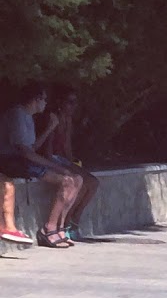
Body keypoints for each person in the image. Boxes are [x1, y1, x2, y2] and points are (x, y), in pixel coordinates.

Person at [0, 85, 82, 246]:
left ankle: (59, 228)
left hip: (23, 159)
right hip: (11, 161)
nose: (45, 103)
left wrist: (50, 128)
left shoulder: (28, 116)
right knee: (67, 181)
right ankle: (49, 229)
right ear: (36, 99)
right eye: (44, 99)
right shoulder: (17, 115)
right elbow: (26, 153)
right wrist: (57, 168)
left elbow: (32, 148)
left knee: (77, 179)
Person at [36, 87, 99, 237]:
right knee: (80, 183)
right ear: (60, 102)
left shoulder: (68, 120)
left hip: (64, 160)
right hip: (53, 159)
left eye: (75, 102)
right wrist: (61, 167)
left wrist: (73, 164)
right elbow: (48, 152)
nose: (74, 106)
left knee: (93, 182)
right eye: (70, 102)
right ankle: (65, 223)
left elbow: (67, 146)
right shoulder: (52, 119)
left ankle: (75, 220)